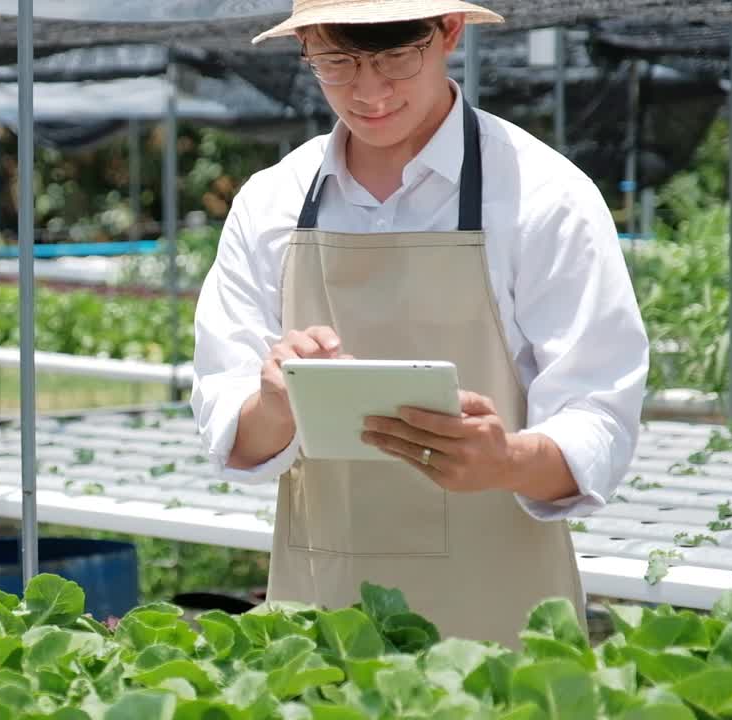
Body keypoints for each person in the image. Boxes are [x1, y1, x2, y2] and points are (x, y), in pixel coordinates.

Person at [191, 0, 649, 646]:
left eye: (396, 59)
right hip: (324, 614)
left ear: (448, 34)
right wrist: (274, 403)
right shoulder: (271, 201)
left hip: (498, 608)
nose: (369, 91)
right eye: (336, 62)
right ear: (306, 48)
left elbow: (600, 417)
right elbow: (228, 420)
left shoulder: (543, 198)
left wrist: (507, 459)